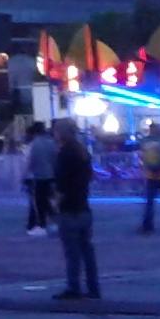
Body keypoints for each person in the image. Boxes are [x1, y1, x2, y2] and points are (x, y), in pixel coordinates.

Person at [52, 119, 99, 302]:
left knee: (72, 252)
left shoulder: (65, 153)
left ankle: (74, 287)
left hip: (69, 207)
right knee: (87, 249)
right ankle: (93, 287)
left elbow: (62, 182)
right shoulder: (82, 152)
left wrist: (56, 201)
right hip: (83, 205)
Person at [24, 125, 58, 238]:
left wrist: (25, 176)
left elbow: (30, 162)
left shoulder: (34, 144)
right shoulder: (51, 142)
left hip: (38, 177)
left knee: (39, 203)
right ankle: (56, 222)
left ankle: (41, 225)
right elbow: (55, 158)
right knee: (49, 201)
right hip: (51, 177)